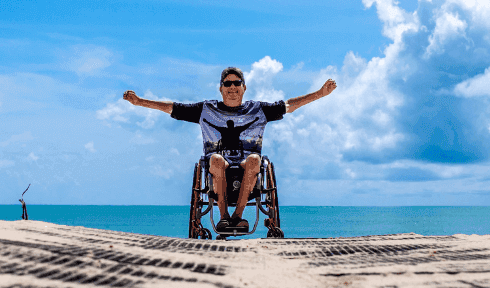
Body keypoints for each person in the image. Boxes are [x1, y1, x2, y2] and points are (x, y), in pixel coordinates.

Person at [123, 67, 336, 233]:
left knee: (255, 159)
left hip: (248, 167)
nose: (232, 87)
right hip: (218, 166)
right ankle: (224, 217)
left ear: (244, 87)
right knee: (215, 159)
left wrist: (320, 93)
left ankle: (238, 216)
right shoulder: (206, 109)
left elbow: (289, 105)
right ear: (220, 88)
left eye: (237, 83)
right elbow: (172, 108)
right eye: (227, 83)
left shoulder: (258, 109)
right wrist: (140, 102)